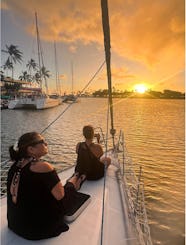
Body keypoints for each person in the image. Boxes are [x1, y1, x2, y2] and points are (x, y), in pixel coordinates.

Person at [7, 132, 86, 240]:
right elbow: (60, 196)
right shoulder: (43, 167)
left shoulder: (15, 166)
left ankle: (76, 177)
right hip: (37, 230)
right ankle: (77, 177)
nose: (46, 143)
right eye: (42, 142)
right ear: (31, 149)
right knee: (69, 190)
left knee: (66, 188)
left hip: (15, 224)